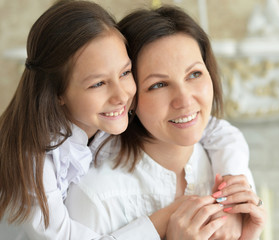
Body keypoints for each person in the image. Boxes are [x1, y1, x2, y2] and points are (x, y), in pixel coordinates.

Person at [0, 1, 256, 239]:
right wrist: (162, 222)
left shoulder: (100, 124)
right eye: (98, 83)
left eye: (124, 73)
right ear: (58, 94)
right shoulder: (35, 162)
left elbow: (220, 131)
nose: (122, 95)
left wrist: (233, 195)